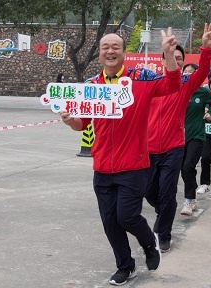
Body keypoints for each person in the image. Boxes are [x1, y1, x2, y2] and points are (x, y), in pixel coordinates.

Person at [60, 29, 180, 286]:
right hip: (102, 166)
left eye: (116, 46)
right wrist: (70, 121)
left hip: (133, 165)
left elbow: (172, 85)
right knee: (110, 222)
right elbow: (83, 123)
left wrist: (169, 56)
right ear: (99, 53)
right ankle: (126, 266)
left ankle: (149, 243)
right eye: (105, 47)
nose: (110, 51)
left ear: (125, 52)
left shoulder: (142, 78)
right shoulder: (93, 87)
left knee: (126, 216)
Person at [145, 24, 211, 253]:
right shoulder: (151, 84)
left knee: (167, 191)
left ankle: (164, 234)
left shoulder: (185, 85)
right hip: (148, 148)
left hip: (173, 147)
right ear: (162, 59)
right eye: (171, 56)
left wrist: (205, 48)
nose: (176, 61)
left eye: (180, 58)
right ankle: (164, 211)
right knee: (148, 191)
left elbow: (203, 72)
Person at [180, 63, 211, 215]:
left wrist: (210, 113)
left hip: (197, 135)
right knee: (184, 169)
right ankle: (193, 190)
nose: (187, 74)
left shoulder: (202, 92)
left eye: (191, 72)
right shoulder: (179, 89)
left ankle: (189, 201)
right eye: (185, 71)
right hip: (180, 136)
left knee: (188, 166)